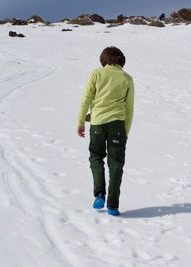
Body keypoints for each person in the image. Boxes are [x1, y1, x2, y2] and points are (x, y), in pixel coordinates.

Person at [77, 46, 134, 216]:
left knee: (96, 156)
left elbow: (86, 98)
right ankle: (113, 205)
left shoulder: (96, 74)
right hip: (118, 125)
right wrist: (126, 132)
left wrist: (80, 121)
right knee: (116, 164)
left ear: (103, 60)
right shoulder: (127, 78)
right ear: (121, 60)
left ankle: (99, 193)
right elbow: (129, 109)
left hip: (97, 123)